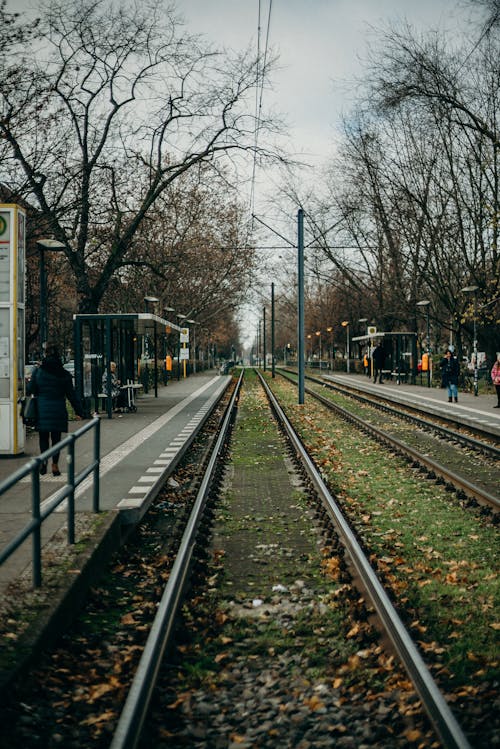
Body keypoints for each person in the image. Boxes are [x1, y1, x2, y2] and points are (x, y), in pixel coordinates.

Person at [27, 342, 84, 476]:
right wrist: (79, 411)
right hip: (58, 409)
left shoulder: (38, 371)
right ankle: (55, 465)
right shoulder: (63, 373)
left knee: (43, 438)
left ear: (45, 355)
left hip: (42, 408)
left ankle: (44, 461)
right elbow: (71, 394)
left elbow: (30, 389)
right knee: (56, 439)